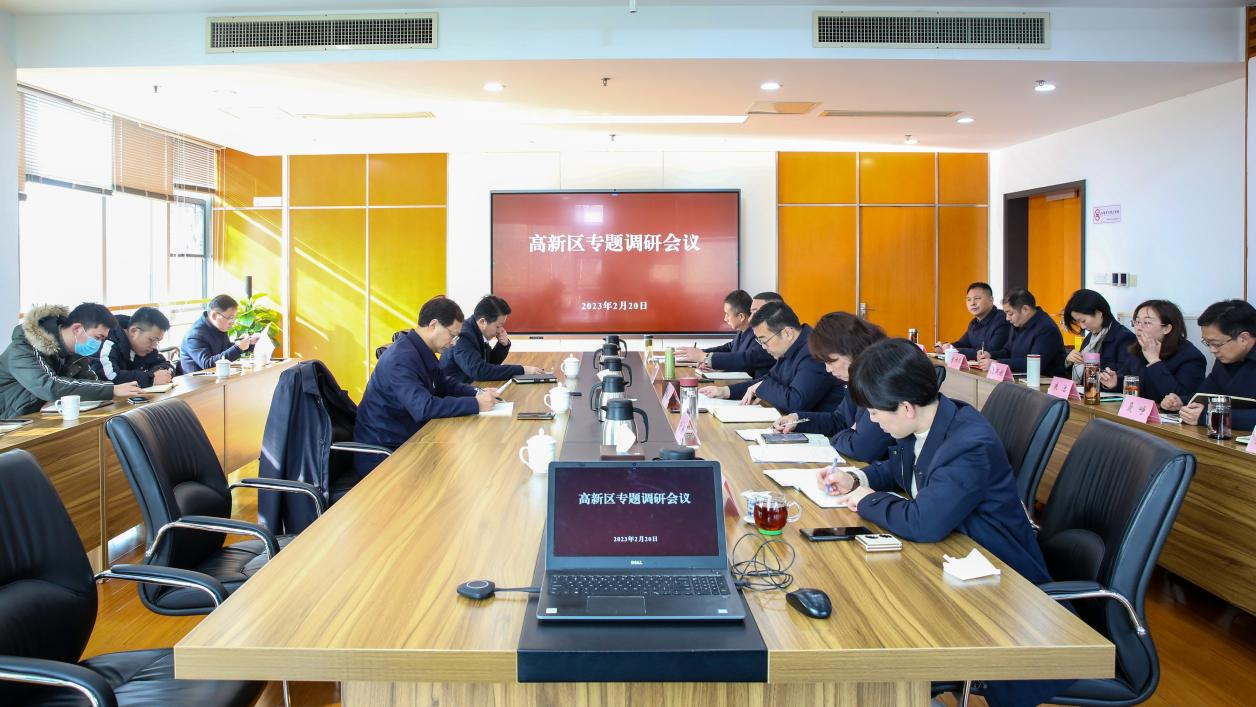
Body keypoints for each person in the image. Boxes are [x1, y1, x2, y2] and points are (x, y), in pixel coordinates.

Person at [820, 338, 1062, 706]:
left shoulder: (968, 444)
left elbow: (923, 523)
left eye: (874, 413)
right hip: (954, 561)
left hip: (999, 590)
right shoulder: (929, 423)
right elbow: (902, 469)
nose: (872, 421)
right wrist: (857, 479)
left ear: (906, 408)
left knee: (871, 627)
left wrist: (867, 500)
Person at [352, 296, 498, 477]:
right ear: (433, 325)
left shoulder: (419, 349)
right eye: (452, 335)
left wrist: (477, 392)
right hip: (383, 454)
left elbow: (444, 384)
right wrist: (476, 404)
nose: (454, 342)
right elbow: (424, 407)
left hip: (409, 439)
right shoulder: (401, 359)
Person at [772, 312, 895, 462]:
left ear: (853, 349)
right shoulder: (856, 376)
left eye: (832, 361)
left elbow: (861, 448)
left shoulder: (882, 378)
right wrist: (797, 419)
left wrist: (842, 435)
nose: (828, 369)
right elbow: (840, 420)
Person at [698, 301, 843, 414]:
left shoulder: (813, 352)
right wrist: (725, 391)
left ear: (787, 333)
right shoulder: (791, 346)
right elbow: (768, 380)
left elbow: (796, 402)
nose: (763, 347)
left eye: (764, 340)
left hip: (824, 436)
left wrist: (763, 387)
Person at [0, 303, 143, 417]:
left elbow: (90, 383)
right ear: (77, 329)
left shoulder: (75, 351)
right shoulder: (23, 347)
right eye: (98, 337)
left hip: (41, 418)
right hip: (11, 424)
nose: (99, 344)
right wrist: (112, 389)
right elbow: (49, 387)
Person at [1100, 299, 1205, 410]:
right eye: (1137, 322)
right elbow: (1133, 384)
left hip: (1169, 418)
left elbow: (1179, 398)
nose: (1139, 328)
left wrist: (1154, 360)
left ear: (1166, 328)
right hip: (1138, 413)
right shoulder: (1138, 349)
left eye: (1147, 323)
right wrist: (1115, 382)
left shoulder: (1191, 357)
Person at [1181, 299, 1256, 429]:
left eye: (1216, 344)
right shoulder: (1226, 358)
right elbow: (1205, 394)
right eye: (1208, 343)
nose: (1212, 350)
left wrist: (1210, 417)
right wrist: (1182, 401)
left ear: (1243, 338)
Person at [440, 295, 544, 385]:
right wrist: (522, 370)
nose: (501, 330)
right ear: (482, 322)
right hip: (454, 394)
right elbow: (480, 371)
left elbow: (489, 364)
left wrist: (502, 346)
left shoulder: (476, 331)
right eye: (498, 326)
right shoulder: (463, 336)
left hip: (472, 386)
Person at [675, 289, 775, 378]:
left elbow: (745, 360)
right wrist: (699, 354)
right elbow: (728, 348)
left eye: (727, 314)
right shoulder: (742, 332)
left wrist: (704, 356)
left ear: (741, 317)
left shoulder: (760, 336)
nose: (725, 319)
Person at [974, 287, 1066, 378]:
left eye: (1010, 313)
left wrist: (998, 363)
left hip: (1046, 382)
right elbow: (1008, 351)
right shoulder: (1018, 323)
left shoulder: (1046, 329)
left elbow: (1034, 364)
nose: (1007, 318)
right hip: (1021, 379)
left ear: (1025, 309)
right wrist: (990, 355)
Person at [1062, 288, 1135, 388]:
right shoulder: (1091, 337)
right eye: (1078, 322)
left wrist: (1112, 381)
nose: (1082, 326)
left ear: (1099, 313)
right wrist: (1069, 361)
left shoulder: (1125, 338)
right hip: (1086, 393)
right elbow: (1080, 375)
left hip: (1107, 396)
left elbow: (1128, 379)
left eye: (1083, 321)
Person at [91, 306, 175, 388]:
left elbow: (169, 365)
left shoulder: (147, 348)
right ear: (133, 331)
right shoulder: (107, 341)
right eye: (152, 339)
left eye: (158, 341)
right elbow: (111, 377)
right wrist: (151, 378)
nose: (154, 346)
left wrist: (161, 375)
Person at [180, 294, 260, 373]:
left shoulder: (218, 326)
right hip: (199, 380)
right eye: (230, 318)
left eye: (234, 318)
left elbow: (226, 349)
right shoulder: (194, 335)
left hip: (219, 376)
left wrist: (249, 343)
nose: (233, 322)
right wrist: (238, 348)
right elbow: (207, 364)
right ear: (214, 316)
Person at [934, 281, 1010, 360]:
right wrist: (945, 347)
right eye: (969, 299)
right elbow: (963, 343)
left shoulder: (1003, 319)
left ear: (991, 299)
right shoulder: (974, 323)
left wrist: (954, 350)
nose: (972, 303)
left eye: (977, 298)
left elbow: (988, 352)